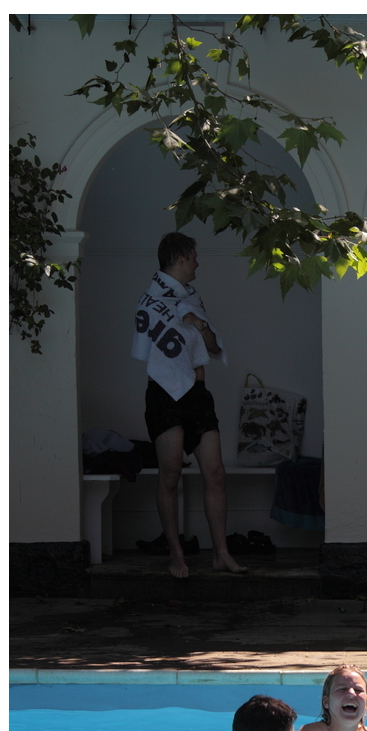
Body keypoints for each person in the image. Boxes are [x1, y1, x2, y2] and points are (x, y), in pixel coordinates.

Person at [132, 231, 246, 578]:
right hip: (165, 395)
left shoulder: (192, 299)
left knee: (215, 473)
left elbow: (212, 347)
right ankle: (176, 555)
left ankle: (220, 553)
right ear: (180, 258)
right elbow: (145, 349)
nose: (198, 262)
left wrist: (199, 325)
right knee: (170, 475)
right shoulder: (149, 301)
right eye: (194, 257)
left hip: (197, 394)